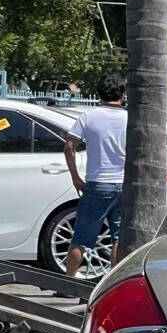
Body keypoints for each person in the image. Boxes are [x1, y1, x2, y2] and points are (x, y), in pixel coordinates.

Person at [62, 75, 127, 276]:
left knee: (81, 237)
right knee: (118, 238)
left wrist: (75, 177)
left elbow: (69, 146)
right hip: (124, 183)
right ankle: (113, 284)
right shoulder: (130, 117)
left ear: (99, 94)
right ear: (122, 94)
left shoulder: (88, 116)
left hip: (98, 183)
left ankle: (68, 282)